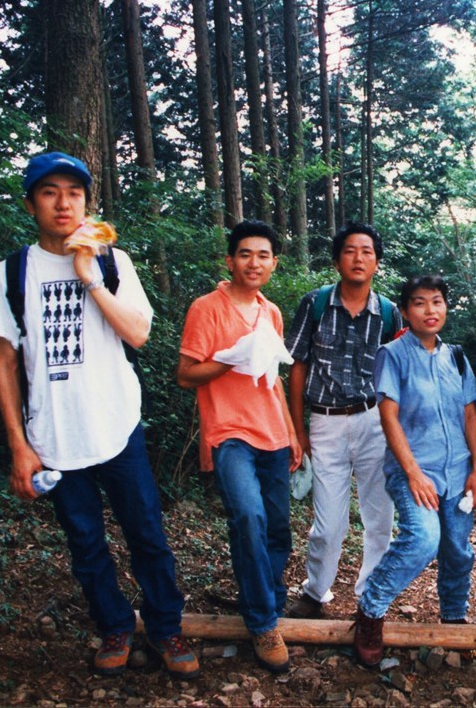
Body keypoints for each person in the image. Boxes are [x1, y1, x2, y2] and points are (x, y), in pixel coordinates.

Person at [0, 151, 199, 679]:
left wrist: (90, 277)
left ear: (86, 202)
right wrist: (18, 445)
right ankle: (114, 626)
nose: (64, 203)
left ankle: (166, 626)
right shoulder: (9, 273)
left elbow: (139, 334)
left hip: (117, 426)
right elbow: (6, 362)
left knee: (147, 533)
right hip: (54, 435)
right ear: (31, 204)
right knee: (84, 542)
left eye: (74, 193)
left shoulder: (112, 261)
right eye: (50, 192)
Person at [177, 220, 302, 673]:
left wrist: (291, 431)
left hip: (273, 432)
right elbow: (185, 374)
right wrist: (228, 360)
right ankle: (263, 622)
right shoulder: (207, 308)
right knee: (248, 517)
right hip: (229, 433)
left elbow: (273, 378)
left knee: (278, 527)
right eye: (245, 254)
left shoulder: (271, 312)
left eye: (263, 255)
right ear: (230, 261)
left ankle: (269, 599)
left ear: (274, 263)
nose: (254, 262)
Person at [352, 276, 476, 667]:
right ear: (406, 311)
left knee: (457, 549)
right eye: (420, 303)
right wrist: (412, 472)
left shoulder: (456, 357)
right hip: (414, 470)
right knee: (424, 539)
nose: (430, 310)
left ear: (446, 307)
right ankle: (370, 610)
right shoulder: (391, 354)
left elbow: (470, 415)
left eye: (437, 301)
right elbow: (388, 416)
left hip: (457, 472)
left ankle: (454, 616)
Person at [284, 223, 402, 618]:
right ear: (336, 261)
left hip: (375, 421)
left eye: (367, 252)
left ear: (377, 263)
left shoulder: (389, 313)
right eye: (350, 251)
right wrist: (298, 429)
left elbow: (398, 372)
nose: (358, 258)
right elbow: (297, 365)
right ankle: (315, 592)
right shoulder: (315, 304)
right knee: (328, 522)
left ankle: (371, 601)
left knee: (379, 518)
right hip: (325, 421)